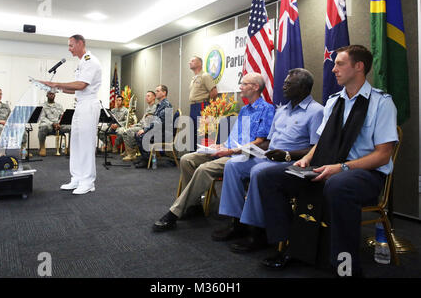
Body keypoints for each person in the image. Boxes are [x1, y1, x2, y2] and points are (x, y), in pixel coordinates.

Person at [256, 45, 398, 277]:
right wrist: (306, 160)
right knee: (267, 176)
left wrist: (342, 168)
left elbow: (383, 154)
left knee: (338, 184)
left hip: (365, 174)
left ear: (359, 67)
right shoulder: (333, 102)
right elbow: (320, 143)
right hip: (326, 165)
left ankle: (344, 265)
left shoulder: (381, 103)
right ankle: (289, 245)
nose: (333, 70)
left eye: (340, 64)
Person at [212, 68, 324, 254]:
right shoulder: (281, 111)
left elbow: (316, 148)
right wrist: (247, 150)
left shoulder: (316, 111)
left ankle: (258, 232)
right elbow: (268, 143)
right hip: (269, 157)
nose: (283, 86)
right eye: (284, 83)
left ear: (303, 87)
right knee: (233, 164)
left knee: (259, 172)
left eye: (289, 84)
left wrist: (287, 154)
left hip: (292, 162)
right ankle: (236, 223)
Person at [152, 72, 275, 232]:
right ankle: (195, 206)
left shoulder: (267, 109)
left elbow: (261, 141)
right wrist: (220, 145)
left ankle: (174, 213)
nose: (240, 87)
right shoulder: (245, 110)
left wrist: (230, 150)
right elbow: (236, 136)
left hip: (242, 156)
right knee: (187, 159)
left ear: (256, 87)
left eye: (244, 84)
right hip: (229, 149)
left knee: (204, 169)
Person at [39, 34, 102, 195]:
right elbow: (74, 88)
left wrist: (56, 83)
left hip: (89, 104)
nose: (69, 49)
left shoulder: (90, 61)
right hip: (80, 105)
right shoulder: (81, 63)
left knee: (86, 144)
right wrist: (54, 88)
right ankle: (77, 178)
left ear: (81, 43)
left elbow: (81, 85)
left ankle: (88, 182)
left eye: (71, 45)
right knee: (76, 143)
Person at [134, 85, 173, 168]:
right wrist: (145, 129)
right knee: (137, 133)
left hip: (164, 134)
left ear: (164, 93)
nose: (156, 93)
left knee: (142, 135)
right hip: (159, 131)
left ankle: (147, 160)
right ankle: (145, 158)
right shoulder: (160, 105)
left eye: (158, 91)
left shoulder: (166, 105)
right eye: (156, 91)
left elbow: (158, 122)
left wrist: (145, 130)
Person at [188, 56, 218, 151]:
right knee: (193, 131)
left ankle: (202, 155)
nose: (190, 62)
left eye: (192, 60)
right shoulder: (194, 78)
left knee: (202, 132)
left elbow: (214, 92)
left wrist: (208, 106)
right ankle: (192, 154)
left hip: (202, 106)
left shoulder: (205, 76)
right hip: (193, 106)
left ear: (199, 63)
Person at [121, 90, 157, 161]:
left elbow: (149, 123)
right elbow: (142, 121)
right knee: (125, 131)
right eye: (146, 96)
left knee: (128, 131)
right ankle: (129, 150)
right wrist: (135, 125)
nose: (146, 97)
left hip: (147, 129)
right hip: (142, 126)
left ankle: (132, 154)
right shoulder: (148, 108)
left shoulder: (154, 108)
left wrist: (139, 127)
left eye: (148, 96)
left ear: (154, 98)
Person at [38, 91, 71, 156]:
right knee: (42, 127)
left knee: (71, 127)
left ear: (55, 95)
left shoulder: (59, 106)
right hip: (48, 126)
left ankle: (70, 148)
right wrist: (52, 124)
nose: (51, 95)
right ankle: (42, 147)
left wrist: (59, 123)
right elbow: (42, 118)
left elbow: (62, 116)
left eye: (53, 94)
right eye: (50, 94)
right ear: (47, 95)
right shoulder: (42, 106)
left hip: (59, 126)